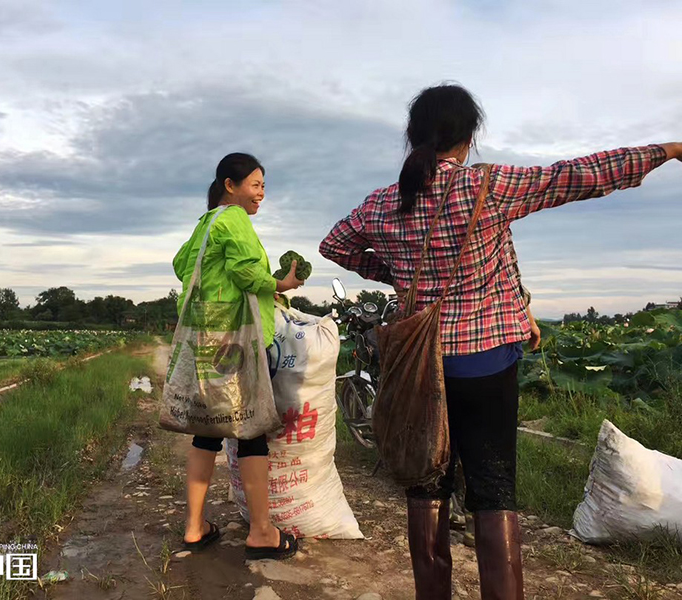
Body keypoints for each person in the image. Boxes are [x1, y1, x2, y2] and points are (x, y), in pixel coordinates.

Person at [319, 84, 681, 599]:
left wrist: (399, 276)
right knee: (493, 488)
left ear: (414, 136)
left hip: (418, 366)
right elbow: (577, 175)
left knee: (426, 484)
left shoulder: (382, 202)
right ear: (468, 138)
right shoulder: (489, 185)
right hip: (485, 363)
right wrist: (667, 150)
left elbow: (334, 244)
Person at [172, 152, 303, 560]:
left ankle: (194, 527)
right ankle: (262, 532)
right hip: (237, 340)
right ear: (230, 186)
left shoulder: (206, 222)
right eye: (255, 185)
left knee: (208, 429)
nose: (261, 193)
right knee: (250, 430)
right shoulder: (234, 218)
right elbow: (246, 272)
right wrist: (281, 283)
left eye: (264, 186)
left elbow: (180, 265)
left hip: (205, 337)